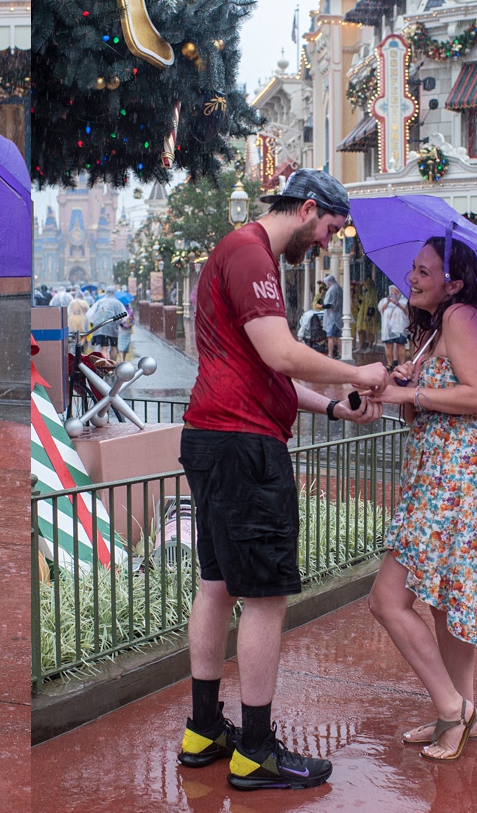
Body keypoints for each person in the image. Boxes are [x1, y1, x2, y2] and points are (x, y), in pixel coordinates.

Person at [176, 169, 387, 791]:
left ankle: (204, 729)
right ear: (309, 209)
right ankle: (258, 751)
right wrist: (362, 373)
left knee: (215, 584)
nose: (326, 242)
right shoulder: (251, 254)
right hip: (244, 446)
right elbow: (280, 354)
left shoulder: (236, 251)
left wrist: (333, 405)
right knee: (265, 597)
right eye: (329, 228)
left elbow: (266, 372)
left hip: (213, 435)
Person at [368, 235, 477, 762]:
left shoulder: (461, 319)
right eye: (412, 268)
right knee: (445, 604)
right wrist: (410, 383)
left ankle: (453, 708)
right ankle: (459, 713)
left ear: (453, 283)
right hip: (434, 480)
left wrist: (411, 392)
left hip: (452, 486)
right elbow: (428, 409)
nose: (412, 278)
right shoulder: (433, 331)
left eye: (424, 272)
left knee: (387, 600)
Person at [86, 286, 127, 360]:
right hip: (112, 326)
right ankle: (112, 365)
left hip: (101, 326)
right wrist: (117, 323)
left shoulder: (100, 302)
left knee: (104, 347)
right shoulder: (117, 303)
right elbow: (124, 316)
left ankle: (104, 365)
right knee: (114, 347)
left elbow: (90, 314)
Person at [378, 284, 410, 369]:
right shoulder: (384, 301)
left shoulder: (404, 301)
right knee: (388, 345)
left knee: (401, 345)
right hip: (388, 328)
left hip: (399, 328)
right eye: (392, 290)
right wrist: (388, 302)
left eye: (396, 290)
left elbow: (407, 312)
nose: (394, 292)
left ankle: (402, 364)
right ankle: (389, 364)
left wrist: (397, 304)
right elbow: (381, 310)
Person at [353, 279, 380, 351]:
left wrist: (368, 315)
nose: (364, 286)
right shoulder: (366, 293)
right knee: (361, 330)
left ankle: (370, 347)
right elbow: (361, 301)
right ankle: (361, 347)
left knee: (370, 331)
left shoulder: (372, 294)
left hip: (369, 316)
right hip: (362, 314)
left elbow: (372, 305)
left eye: (365, 285)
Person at [322, 273, 343, 358]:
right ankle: (341, 353)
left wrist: (321, 306)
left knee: (330, 336)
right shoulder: (339, 288)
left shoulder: (331, 290)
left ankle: (330, 354)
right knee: (338, 336)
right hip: (338, 316)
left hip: (332, 317)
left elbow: (329, 304)